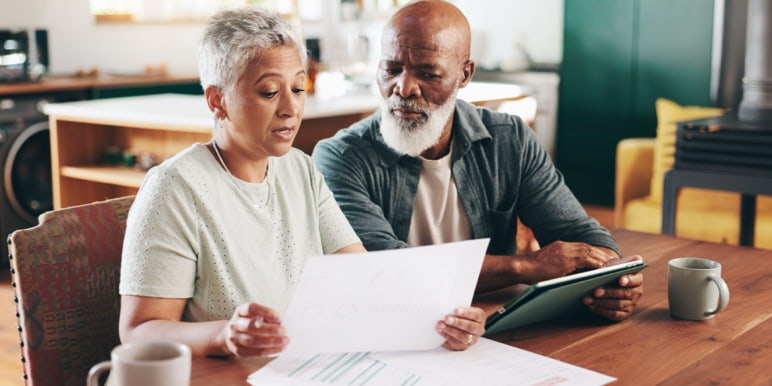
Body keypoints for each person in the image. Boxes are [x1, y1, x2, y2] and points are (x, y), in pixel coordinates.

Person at [118, 5, 485, 359]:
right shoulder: (174, 188)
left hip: (303, 368)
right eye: (268, 92)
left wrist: (441, 320)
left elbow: (364, 278)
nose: (290, 109)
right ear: (218, 101)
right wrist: (223, 335)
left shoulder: (300, 169)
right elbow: (139, 332)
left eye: (297, 89)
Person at [312, 0, 644, 322]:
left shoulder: (509, 139)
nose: (404, 87)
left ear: (464, 74)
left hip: (490, 322)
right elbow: (381, 268)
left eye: (428, 74)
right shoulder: (341, 157)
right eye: (391, 69)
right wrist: (524, 267)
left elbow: (576, 231)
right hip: (391, 325)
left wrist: (613, 278)